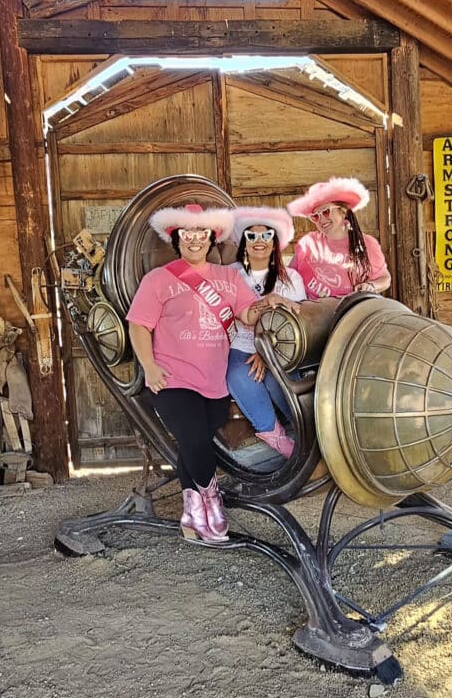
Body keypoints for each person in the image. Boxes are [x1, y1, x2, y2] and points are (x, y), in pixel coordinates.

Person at [127, 203, 269, 545]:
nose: (194, 240)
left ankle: (191, 513)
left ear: (211, 237)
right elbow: (138, 325)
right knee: (194, 440)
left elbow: (248, 315)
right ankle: (213, 503)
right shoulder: (159, 279)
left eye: (200, 233)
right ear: (177, 238)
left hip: (213, 383)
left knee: (195, 446)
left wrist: (271, 303)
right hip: (171, 379)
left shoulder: (229, 278)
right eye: (187, 234)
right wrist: (149, 365)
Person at [227, 207, 307, 459]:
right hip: (242, 346)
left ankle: (307, 433)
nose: (259, 242)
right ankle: (282, 444)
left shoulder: (291, 277)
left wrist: (267, 353)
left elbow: (296, 321)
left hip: (281, 349)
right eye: (251, 236)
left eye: (266, 236)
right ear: (244, 243)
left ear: (275, 243)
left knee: (277, 380)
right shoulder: (231, 274)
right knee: (241, 374)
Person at [287, 176, 391, 299]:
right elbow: (289, 277)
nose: (321, 220)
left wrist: (370, 286)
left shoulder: (367, 243)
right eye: (315, 216)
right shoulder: (308, 244)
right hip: (314, 312)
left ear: (342, 211)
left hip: (353, 308)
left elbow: (385, 279)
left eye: (326, 212)